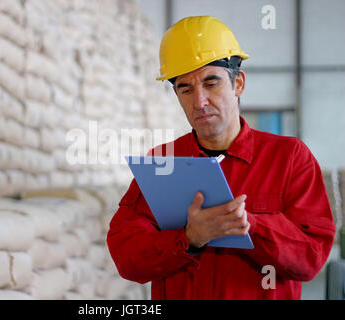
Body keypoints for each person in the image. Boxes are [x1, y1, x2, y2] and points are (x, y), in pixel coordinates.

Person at [106, 16, 336, 299]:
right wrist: (188, 239)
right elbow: (126, 255)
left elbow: (310, 258)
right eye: (185, 89)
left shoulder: (289, 158)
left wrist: (249, 224)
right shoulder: (163, 161)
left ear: (238, 83)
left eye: (211, 83)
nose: (199, 102)